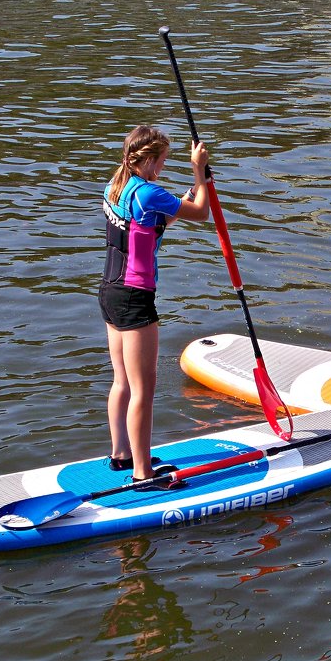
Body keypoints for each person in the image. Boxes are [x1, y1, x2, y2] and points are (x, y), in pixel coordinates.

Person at [99, 125, 211, 480]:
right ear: (148, 160)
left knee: (122, 382)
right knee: (143, 391)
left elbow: (155, 221)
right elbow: (201, 214)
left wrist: (187, 195)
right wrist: (200, 170)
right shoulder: (150, 192)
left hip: (109, 292)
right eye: (162, 160)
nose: (163, 167)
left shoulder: (115, 186)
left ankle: (120, 455)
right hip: (135, 297)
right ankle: (142, 473)